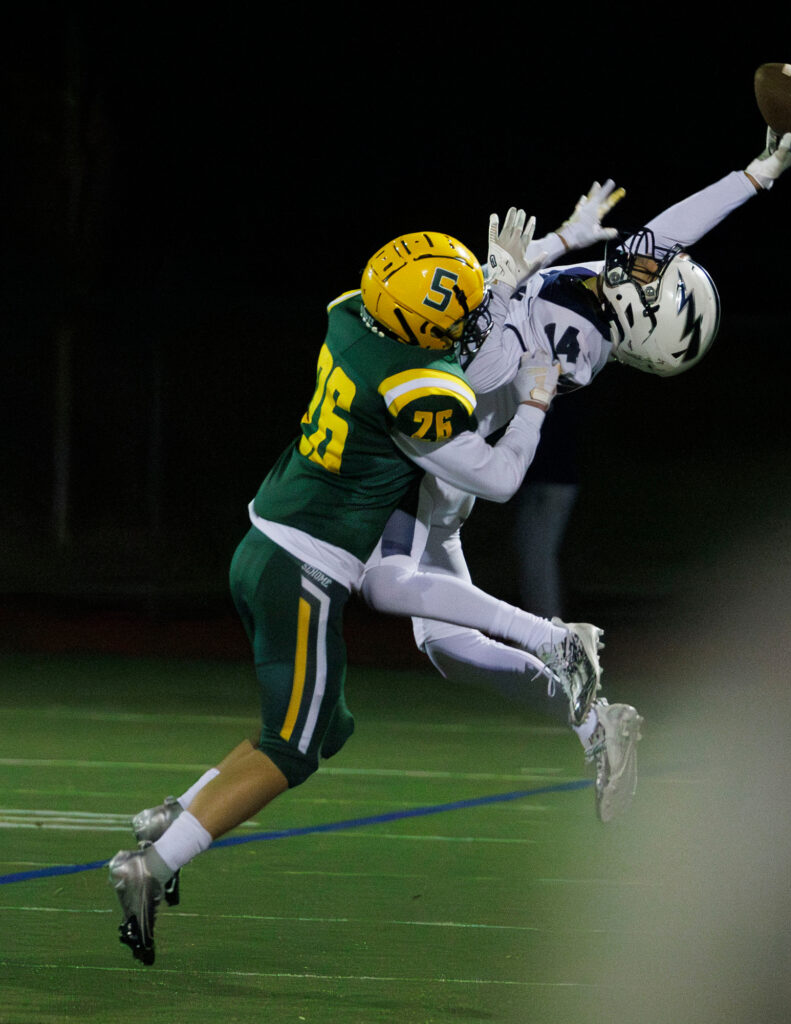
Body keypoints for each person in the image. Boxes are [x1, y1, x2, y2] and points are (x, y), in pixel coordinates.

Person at [106, 214, 622, 966]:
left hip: (263, 541)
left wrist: (522, 263)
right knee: (294, 747)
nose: (476, 304)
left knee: (323, 725)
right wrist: (536, 401)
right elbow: (503, 478)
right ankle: (153, 865)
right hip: (307, 570)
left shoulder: (351, 316)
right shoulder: (417, 391)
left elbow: (444, 320)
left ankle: (177, 815)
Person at [358, 130, 791, 813]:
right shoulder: (608, 296)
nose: (649, 261)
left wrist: (504, 284)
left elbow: (482, 367)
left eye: (655, 279)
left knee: (377, 582)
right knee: (445, 645)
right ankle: (595, 723)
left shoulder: (581, 343)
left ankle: (556, 636)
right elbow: (669, 230)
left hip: (434, 454)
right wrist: (761, 172)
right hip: (442, 467)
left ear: (640, 313)